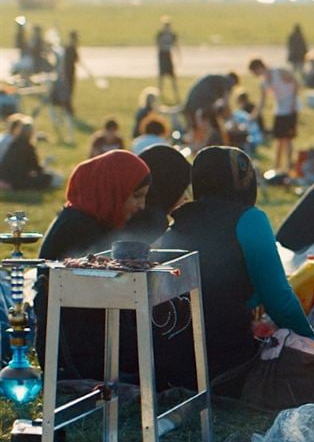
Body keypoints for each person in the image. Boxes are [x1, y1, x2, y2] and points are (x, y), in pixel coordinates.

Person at [155, 146, 314, 393]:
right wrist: (313, 346)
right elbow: (279, 299)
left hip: (170, 366)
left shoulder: (177, 224)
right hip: (225, 364)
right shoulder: (249, 219)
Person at [35, 150, 151, 381]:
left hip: (87, 342)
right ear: (111, 190)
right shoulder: (81, 229)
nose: (141, 206)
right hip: (76, 354)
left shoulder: (89, 218)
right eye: (136, 196)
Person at [119, 144, 190, 245]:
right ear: (171, 186)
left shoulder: (124, 212)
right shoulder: (153, 223)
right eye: (183, 189)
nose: (186, 197)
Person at [250, 58, 300, 172]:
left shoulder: (279, 72)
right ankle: (277, 166)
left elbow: (295, 82)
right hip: (280, 110)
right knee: (278, 138)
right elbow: (262, 101)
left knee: (287, 138)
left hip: (290, 108)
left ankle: (287, 165)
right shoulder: (264, 82)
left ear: (259, 67)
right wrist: (254, 116)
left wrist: (293, 101)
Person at [0, 114, 58, 190]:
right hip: (17, 181)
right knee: (48, 177)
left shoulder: (13, 143)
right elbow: (36, 168)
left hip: (4, 177)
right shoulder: (28, 147)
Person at [182, 72, 239, 141]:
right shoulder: (227, 81)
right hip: (199, 104)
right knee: (198, 130)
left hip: (192, 103)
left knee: (194, 129)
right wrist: (233, 121)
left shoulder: (217, 79)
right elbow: (225, 103)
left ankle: (193, 142)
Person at [156, 17, 180, 102]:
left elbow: (176, 45)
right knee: (161, 77)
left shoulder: (172, 35)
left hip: (169, 56)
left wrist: (178, 55)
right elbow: (158, 45)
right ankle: (160, 94)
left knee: (172, 77)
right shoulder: (160, 34)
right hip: (162, 56)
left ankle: (176, 95)